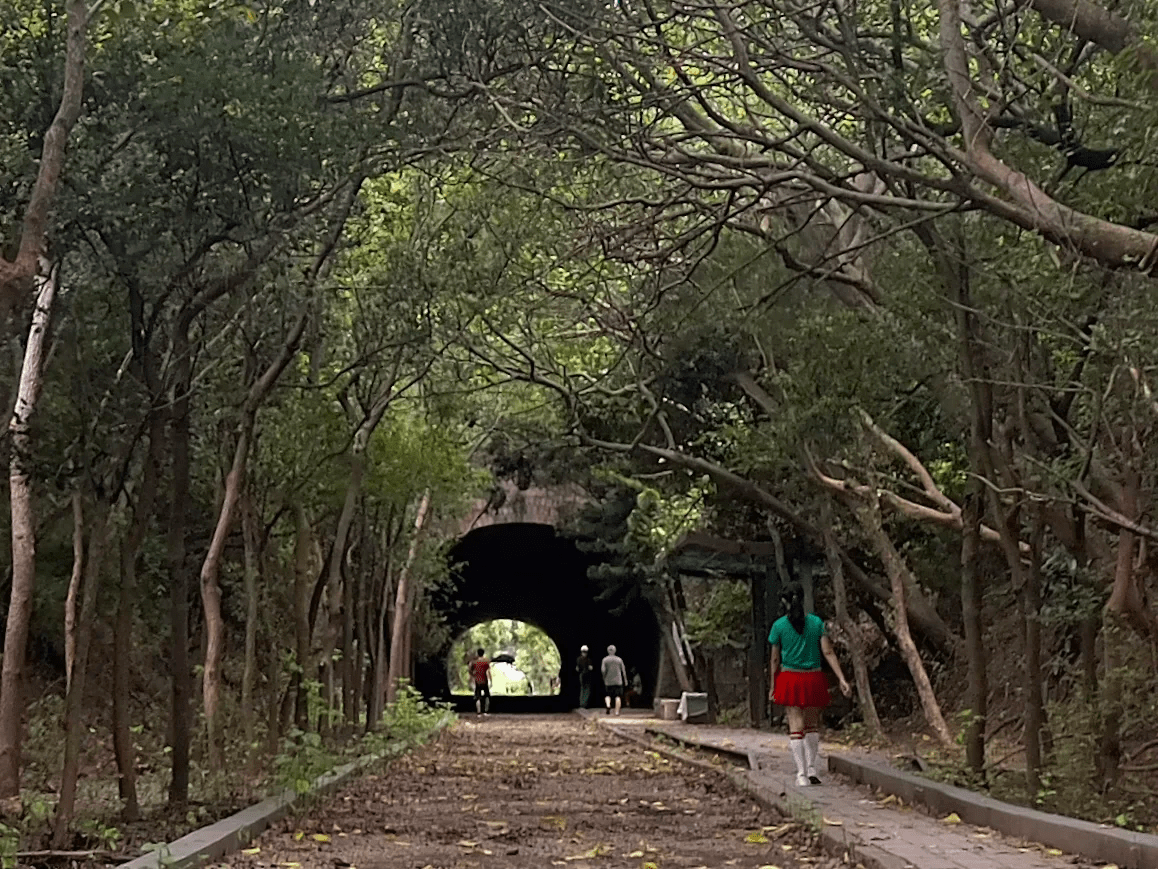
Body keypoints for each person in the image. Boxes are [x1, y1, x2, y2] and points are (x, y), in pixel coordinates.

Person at [767, 589, 851, 786]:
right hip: (813, 677)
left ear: (783, 602)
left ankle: (801, 774)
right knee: (812, 725)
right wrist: (841, 678)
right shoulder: (816, 623)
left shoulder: (778, 626)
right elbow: (828, 651)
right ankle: (812, 768)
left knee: (795, 725)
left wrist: (773, 684)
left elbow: (774, 659)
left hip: (790, 678)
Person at [601, 644, 627, 716]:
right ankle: (616, 712)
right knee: (618, 696)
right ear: (615, 651)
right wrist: (625, 680)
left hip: (608, 681)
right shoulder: (619, 659)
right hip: (618, 681)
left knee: (607, 695)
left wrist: (604, 677)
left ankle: (608, 705)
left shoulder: (605, 660)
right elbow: (623, 671)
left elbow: (603, 670)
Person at [469, 647, 492, 717]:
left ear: (477, 653)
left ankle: (479, 712)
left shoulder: (474, 661)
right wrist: (491, 680)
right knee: (487, 696)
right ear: (483, 653)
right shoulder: (486, 661)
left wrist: (472, 676)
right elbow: (488, 671)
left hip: (477, 681)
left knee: (478, 696)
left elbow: (470, 669)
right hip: (484, 680)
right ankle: (486, 711)